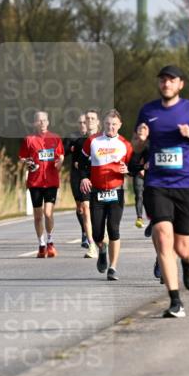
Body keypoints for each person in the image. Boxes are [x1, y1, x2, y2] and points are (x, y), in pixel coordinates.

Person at [133, 64, 189, 318]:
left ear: (180, 84)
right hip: (157, 184)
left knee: (182, 247)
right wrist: (140, 137)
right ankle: (175, 301)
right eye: (162, 80)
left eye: (171, 80)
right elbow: (137, 147)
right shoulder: (148, 111)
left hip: (187, 184)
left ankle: (188, 261)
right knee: (162, 239)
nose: (166, 84)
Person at [79, 109, 133, 280]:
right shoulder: (92, 141)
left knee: (114, 229)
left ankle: (113, 267)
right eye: (108, 124)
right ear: (104, 124)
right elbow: (80, 163)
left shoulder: (125, 144)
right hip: (97, 192)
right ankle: (101, 249)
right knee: (97, 234)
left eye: (114, 124)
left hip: (116, 192)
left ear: (120, 125)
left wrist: (128, 169)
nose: (111, 127)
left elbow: (134, 166)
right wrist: (84, 178)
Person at [19, 110, 64, 257]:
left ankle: (50, 242)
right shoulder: (29, 139)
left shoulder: (55, 138)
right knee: (38, 216)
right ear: (35, 123)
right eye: (39, 120)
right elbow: (22, 158)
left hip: (51, 181)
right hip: (35, 182)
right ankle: (41, 245)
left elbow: (60, 157)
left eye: (45, 120)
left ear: (48, 122)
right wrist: (28, 163)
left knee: (48, 213)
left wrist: (59, 163)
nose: (43, 123)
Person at [64, 111, 98, 253]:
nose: (84, 124)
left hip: (94, 175)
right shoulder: (74, 138)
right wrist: (70, 149)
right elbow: (63, 151)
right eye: (82, 122)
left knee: (90, 208)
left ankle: (93, 234)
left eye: (87, 121)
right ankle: (86, 233)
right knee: (81, 207)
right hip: (78, 175)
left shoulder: (100, 139)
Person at [130, 123, 149, 227]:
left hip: (151, 175)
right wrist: (141, 168)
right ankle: (139, 217)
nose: (141, 130)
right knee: (139, 195)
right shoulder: (133, 144)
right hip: (138, 173)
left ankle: (152, 217)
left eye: (144, 128)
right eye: (139, 128)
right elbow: (131, 162)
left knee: (149, 196)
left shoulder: (152, 143)